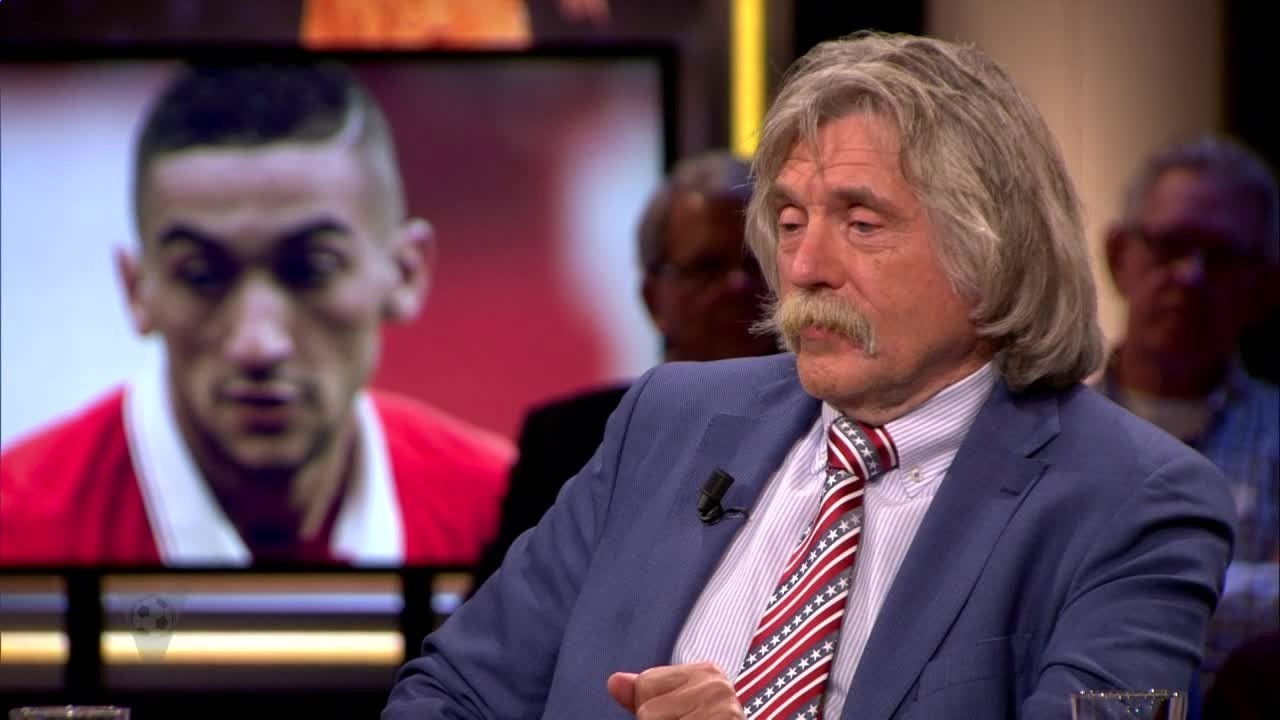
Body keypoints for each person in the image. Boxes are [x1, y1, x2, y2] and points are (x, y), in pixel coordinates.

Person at [383, 32, 1235, 719]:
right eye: (791, 222)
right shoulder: (666, 421)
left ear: (992, 250)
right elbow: (451, 694)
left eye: (861, 223)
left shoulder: (1132, 503)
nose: (805, 266)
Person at [0, 64, 513, 566]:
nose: (258, 344)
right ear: (136, 290)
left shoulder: (515, 523)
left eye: (311, 269)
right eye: (202, 275)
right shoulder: (17, 533)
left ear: (405, 273)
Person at [472, 151, 777, 585]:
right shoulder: (566, 443)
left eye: (757, 264)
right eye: (707, 269)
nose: (738, 285)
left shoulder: (829, 430)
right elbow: (502, 608)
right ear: (654, 299)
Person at [1099, 137, 1279, 689]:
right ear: (1118, 256)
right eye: (1170, 245)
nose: (1191, 276)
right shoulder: (1039, 427)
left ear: (1265, 285)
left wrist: (1104, 588)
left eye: (1221, 257)